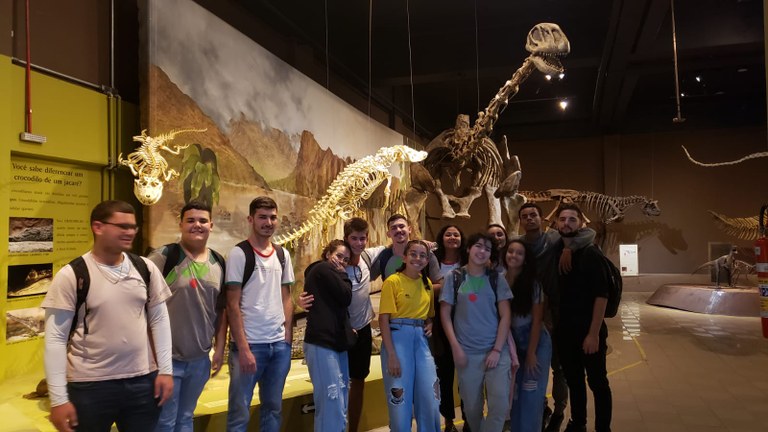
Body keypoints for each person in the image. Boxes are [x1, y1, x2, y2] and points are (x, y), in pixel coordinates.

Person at [42, 200, 173, 432]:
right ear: (98, 227)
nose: (130, 232)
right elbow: (55, 339)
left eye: (133, 226)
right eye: (122, 226)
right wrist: (58, 399)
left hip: (142, 382)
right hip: (89, 386)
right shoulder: (73, 275)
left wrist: (165, 370)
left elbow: (160, 320)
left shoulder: (145, 268)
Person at [513, 203, 595, 432]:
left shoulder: (554, 239)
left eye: (534, 215)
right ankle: (541, 408)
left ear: (542, 218)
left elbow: (590, 232)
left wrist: (569, 248)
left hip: (556, 312)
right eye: (525, 216)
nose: (530, 219)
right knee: (531, 365)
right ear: (520, 221)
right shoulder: (518, 243)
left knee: (559, 366)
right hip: (528, 313)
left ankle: (559, 411)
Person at [298, 217, 385, 432]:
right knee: (332, 393)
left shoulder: (368, 257)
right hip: (333, 335)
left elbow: (394, 246)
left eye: (362, 238)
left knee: (350, 383)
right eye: (354, 238)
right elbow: (316, 279)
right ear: (346, 238)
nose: (358, 243)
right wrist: (301, 300)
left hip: (357, 330)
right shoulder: (328, 268)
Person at [148, 200, 228, 432]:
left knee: (185, 418)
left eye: (202, 220)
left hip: (199, 360)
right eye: (190, 220)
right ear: (181, 224)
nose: (197, 225)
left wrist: (219, 348)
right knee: (164, 422)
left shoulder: (218, 262)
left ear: (211, 225)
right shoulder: (164, 257)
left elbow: (220, 309)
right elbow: (142, 304)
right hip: (167, 360)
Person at [226, 196, 295, 432]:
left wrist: (286, 338)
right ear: (250, 219)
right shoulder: (238, 254)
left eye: (273, 217)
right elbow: (232, 304)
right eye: (262, 217)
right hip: (250, 346)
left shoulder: (282, 255)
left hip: (278, 346)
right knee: (239, 412)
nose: (268, 222)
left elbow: (287, 297)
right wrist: (243, 348)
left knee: (273, 408)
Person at [441, 233, 513, 432]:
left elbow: (506, 316)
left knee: (499, 405)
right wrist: (456, 348)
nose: (482, 251)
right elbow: (445, 314)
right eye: (478, 246)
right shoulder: (454, 277)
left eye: (487, 249)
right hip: (467, 353)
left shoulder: (496, 279)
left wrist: (497, 350)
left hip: (496, 351)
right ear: (468, 249)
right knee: (472, 409)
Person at [553, 204, 612, 432]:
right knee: (574, 380)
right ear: (556, 222)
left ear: (581, 223)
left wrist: (593, 334)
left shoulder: (591, 253)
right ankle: (578, 423)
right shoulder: (558, 249)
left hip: (588, 331)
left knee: (597, 382)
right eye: (563, 219)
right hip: (565, 331)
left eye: (572, 219)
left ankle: (603, 428)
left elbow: (602, 295)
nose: (566, 223)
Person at [379, 240, 441, 432]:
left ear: (427, 260)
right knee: (400, 397)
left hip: (420, 341)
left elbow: (428, 315)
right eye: (413, 254)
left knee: (431, 395)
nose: (418, 258)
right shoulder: (393, 281)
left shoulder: (427, 284)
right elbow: (383, 319)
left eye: (423, 255)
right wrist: (391, 354)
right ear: (404, 257)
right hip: (398, 339)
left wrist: (429, 323)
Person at [303, 239, 353, 432]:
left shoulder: (329, 274)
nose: (342, 262)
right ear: (327, 254)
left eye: (346, 260)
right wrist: (344, 275)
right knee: (331, 402)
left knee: (341, 400)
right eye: (339, 256)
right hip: (322, 343)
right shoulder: (323, 269)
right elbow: (346, 296)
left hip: (336, 343)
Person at [504, 239, 552, 432]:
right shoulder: (499, 281)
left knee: (531, 393)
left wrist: (532, 353)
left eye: (519, 253)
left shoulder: (533, 284)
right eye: (510, 251)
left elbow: (537, 321)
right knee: (515, 395)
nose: (513, 255)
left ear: (525, 259)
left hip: (536, 343)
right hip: (513, 346)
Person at [432, 225, 467, 432]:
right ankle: (448, 421)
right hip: (439, 324)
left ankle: (469, 418)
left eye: (456, 234)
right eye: (448, 234)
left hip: (465, 323)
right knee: (444, 375)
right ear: (441, 238)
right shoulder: (433, 260)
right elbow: (427, 288)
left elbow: (472, 291)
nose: (452, 237)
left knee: (466, 376)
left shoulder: (468, 260)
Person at [371, 214, 441, 283]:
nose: (398, 230)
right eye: (393, 228)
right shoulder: (383, 256)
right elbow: (368, 276)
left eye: (401, 226)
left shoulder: (425, 254)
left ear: (409, 229)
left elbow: (439, 284)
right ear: (388, 234)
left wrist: (417, 288)